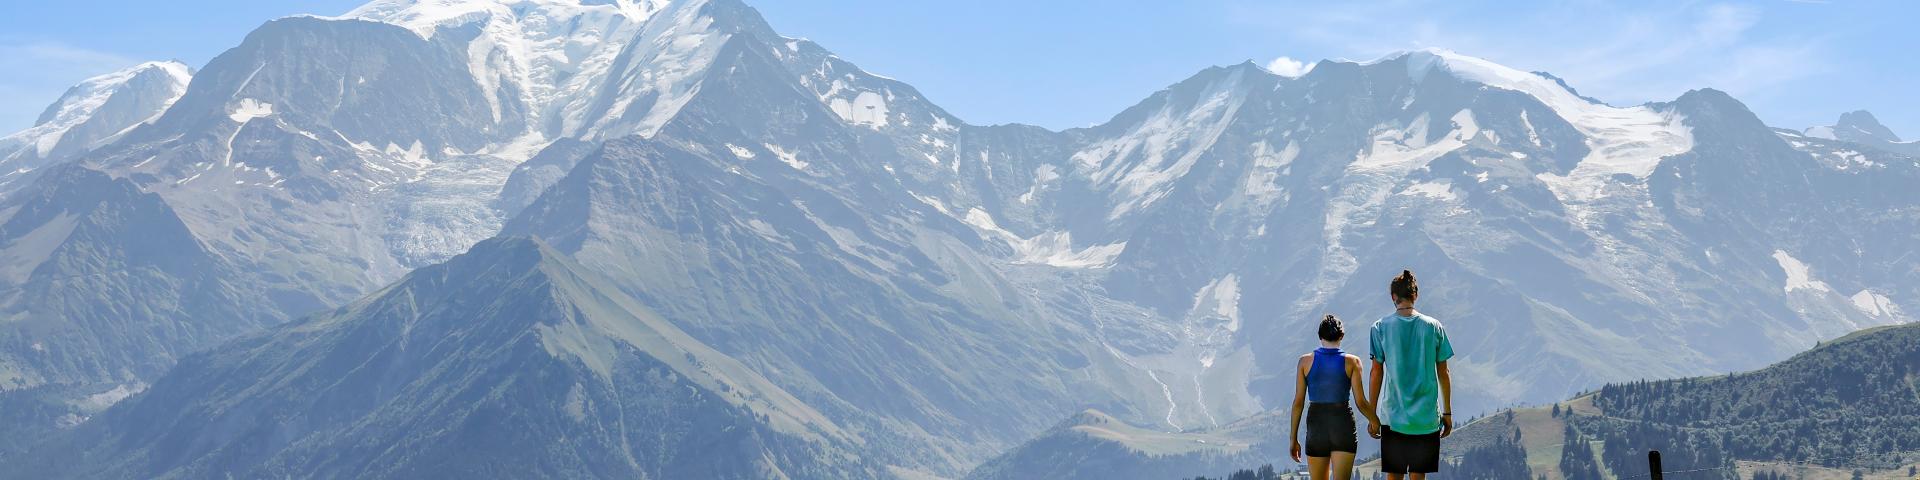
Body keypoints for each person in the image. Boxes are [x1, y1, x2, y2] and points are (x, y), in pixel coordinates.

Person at [1367, 269, 1455, 480]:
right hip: (1425, 418)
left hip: (1394, 417)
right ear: (1415, 295)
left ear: (1393, 297)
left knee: (1394, 476)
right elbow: (1443, 373)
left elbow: (1376, 373)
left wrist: (1372, 416)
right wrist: (1447, 413)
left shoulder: (1380, 327)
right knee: (1419, 476)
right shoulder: (1434, 327)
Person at [1289, 314, 1381, 480]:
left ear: (1319, 336)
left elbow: (1298, 403)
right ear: (1342, 336)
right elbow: (1360, 401)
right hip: (1343, 425)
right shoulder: (1353, 362)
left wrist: (1293, 439)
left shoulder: (1304, 362)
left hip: (1317, 426)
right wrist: (1375, 422)